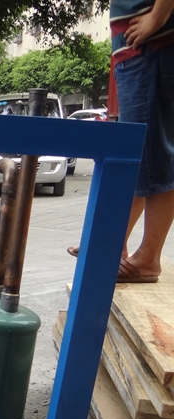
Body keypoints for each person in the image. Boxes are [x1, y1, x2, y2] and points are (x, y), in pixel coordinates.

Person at [67, 0, 174, 283]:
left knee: (155, 158)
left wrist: (157, 17)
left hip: (152, 46)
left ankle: (148, 258)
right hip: (137, 51)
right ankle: (116, 241)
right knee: (137, 159)